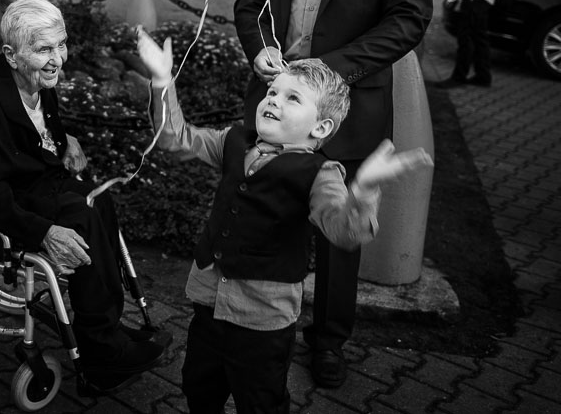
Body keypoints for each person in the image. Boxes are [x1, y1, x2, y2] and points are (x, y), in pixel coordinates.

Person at [232, 0, 433, 388]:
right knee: (266, 216)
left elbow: (409, 19)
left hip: (346, 110)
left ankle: (328, 342)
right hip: (275, 98)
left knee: (336, 235)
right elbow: (249, 5)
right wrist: (260, 47)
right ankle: (259, 325)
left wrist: (327, 72)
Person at [137, 29, 432, 413]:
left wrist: (363, 191)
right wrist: (162, 80)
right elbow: (175, 138)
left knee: (260, 402)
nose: (273, 100)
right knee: (199, 389)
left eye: (293, 98)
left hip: (262, 319)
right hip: (207, 303)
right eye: (273, 92)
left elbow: (342, 231)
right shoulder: (233, 141)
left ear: (321, 128)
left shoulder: (321, 172)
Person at [0, 0, 167, 392]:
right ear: (11, 55)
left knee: (99, 199)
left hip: (39, 178)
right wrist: (42, 233)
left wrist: (63, 137)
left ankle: (102, 324)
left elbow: (36, 128)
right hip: (11, 197)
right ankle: (101, 351)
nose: (58, 59)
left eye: (61, 45)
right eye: (44, 50)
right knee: (81, 218)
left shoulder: (35, 79)